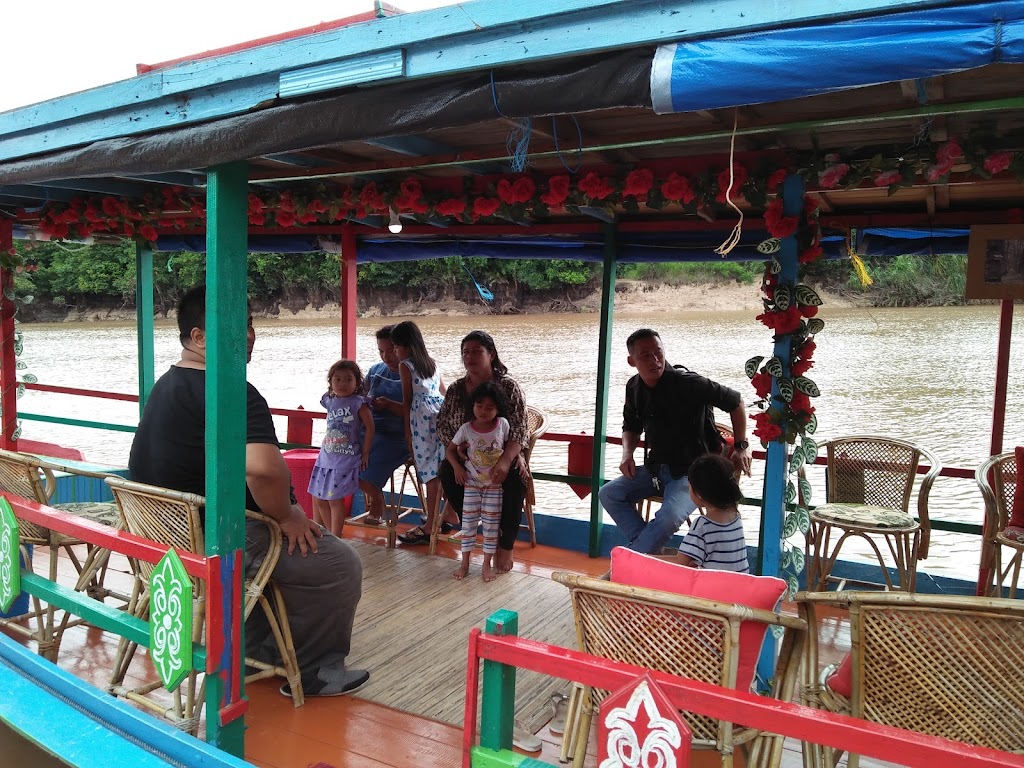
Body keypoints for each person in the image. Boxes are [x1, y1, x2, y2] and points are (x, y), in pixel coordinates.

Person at [128, 286, 368, 698]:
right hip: (211, 539)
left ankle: (261, 650)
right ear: (199, 337)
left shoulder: (166, 384)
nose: (250, 334)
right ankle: (315, 670)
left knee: (282, 556)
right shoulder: (232, 390)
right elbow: (262, 469)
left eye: (251, 324)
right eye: (237, 326)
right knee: (338, 563)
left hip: (160, 538)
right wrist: (287, 515)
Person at [599, 328, 752, 555]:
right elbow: (631, 426)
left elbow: (736, 401)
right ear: (632, 361)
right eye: (645, 355)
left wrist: (741, 446)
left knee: (669, 517)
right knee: (608, 494)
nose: (655, 360)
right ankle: (649, 552)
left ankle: (636, 557)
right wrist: (627, 455)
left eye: (658, 352)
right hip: (655, 470)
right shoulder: (634, 387)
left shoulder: (689, 383)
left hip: (691, 474)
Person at [437, 330, 529, 573]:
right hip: (466, 457)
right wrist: (458, 449)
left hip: (502, 453)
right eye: (465, 352)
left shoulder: (508, 387)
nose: (469, 357)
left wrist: (506, 459)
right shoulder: (456, 389)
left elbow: (520, 428)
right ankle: (475, 526)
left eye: (476, 351)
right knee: (446, 471)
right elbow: (443, 425)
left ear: (491, 355)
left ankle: (505, 544)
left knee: (516, 477)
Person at [447, 381, 511, 582]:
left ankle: (486, 564)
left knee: (491, 525)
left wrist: (517, 459)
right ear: (472, 405)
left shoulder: (502, 425)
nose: (484, 411)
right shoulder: (466, 429)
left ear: (498, 408)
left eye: (490, 407)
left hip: (494, 485)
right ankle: (465, 563)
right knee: (468, 523)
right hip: (472, 483)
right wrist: (457, 467)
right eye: (479, 406)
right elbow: (449, 450)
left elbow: (507, 446)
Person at [391, 321, 447, 545]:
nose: (395, 352)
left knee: (429, 473)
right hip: (439, 414)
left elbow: (407, 400)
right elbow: (444, 391)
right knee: (439, 468)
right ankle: (443, 516)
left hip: (421, 421)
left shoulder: (406, 365)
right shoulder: (431, 363)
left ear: (406, 346)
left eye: (396, 347)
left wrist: (408, 432)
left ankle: (430, 524)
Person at [308, 360, 374, 537]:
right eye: (337, 379)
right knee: (319, 498)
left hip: (346, 458)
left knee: (334, 499)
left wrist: (365, 452)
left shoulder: (358, 403)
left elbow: (370, 427)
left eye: (348, 379)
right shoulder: (329, 400)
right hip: (326, 456)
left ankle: (336, 537)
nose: (343, 384)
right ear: (330, 382)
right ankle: (329, 535)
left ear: (357, 382)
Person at [358, 325, 410, 525]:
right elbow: (359, 397)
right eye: (381, 351)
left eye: (391, 350)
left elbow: (422, 411)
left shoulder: (415, 373)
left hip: (399, 435)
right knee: (341, 458)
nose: (386, 357)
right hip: (370, 430)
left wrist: (390, 405)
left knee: (369, 465)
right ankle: (375, 494)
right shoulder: (375, 371)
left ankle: (377, 498)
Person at [676, 453, 749, 572]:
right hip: (740, 581)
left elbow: (680, 563)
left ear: (698, 494)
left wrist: (646, 557)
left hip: (716, 584)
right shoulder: (735, 515)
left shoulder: (703, 525)